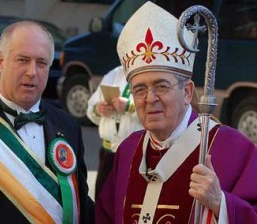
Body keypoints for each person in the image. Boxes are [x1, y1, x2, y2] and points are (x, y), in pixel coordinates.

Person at [95, 2, 257, 224]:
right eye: (140, 89)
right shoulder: (127, 150)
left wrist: (220, 203)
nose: (150, 98)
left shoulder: (232, 149)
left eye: (161, 86)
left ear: (187, 92)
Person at [0, 21, 94, 224]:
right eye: (23, 60)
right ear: (0, 61)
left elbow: (82, 206)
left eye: (41, 63)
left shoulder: (67, 125)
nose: (32, 72)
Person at [86, 65, 142, 200]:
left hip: (135, 153)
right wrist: (98, 109)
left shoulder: (147, 73)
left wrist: (129, 106)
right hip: (108, 152)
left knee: (128, 200)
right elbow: (91, 107)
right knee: (103, 200)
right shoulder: (112, 75)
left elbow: (153, 111)